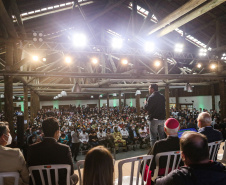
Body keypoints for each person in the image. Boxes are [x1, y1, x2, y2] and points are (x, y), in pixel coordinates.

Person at [155, 132, 226, 185]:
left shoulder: (178, 177)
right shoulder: (221, 171)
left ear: (183, 155)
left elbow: (157, 183)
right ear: (207, 151)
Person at [27, 117, 78, 185]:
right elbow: (71, 171)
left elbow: (29, 169)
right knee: (75, 177)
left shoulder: (32, 148)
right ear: (57, 132)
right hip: (61, 183)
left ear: (43, 132)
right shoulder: (65, 149)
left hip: (39, 182)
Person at [142, 118, 181, 184]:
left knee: (143, 164)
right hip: (180, 175)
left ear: (164, 129)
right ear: (179, 128)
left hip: (162, 176)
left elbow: (150, 163)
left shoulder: (159, 144)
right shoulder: (183, 142)